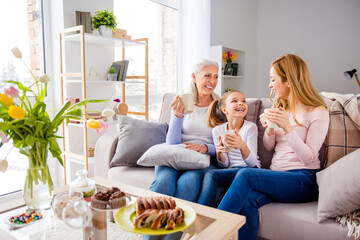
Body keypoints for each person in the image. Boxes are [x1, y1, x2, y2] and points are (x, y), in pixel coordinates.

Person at [217, 54, 330, 240]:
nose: (270, 85)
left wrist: (287, 127)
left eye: (273, 79)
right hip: (277, 176)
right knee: (247, 201)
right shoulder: (280, 106)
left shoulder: (318, 111)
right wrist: (269, 129)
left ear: (289, 81)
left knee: (246, 174)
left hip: (303, 179)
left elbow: (309, 158)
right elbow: (269, 147)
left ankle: (212, 231)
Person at [144, 59, 220, 240]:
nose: (212, 81)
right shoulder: (182, 101)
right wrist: (177, 116)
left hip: (200, 160)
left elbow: (226, 144)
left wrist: (206, 147)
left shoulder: (220, 105)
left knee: (187, 185)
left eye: (216, 76)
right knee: (162, 184)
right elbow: (172, 142)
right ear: (194, 77)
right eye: (207, 75)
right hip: (174, 155)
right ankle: (150, 237)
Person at [196, 90, 260, 207]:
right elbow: (224, 165)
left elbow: (252, 163)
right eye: (235, 101)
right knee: (219, 195)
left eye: (243, 101)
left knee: (211, 175)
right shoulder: (218, 130)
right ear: (224, 110)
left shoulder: (250, 127)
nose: (240, 103)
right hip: (230, 171)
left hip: (249, 170)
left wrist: (242, 145)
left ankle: (201, 213)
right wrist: (219, 154)